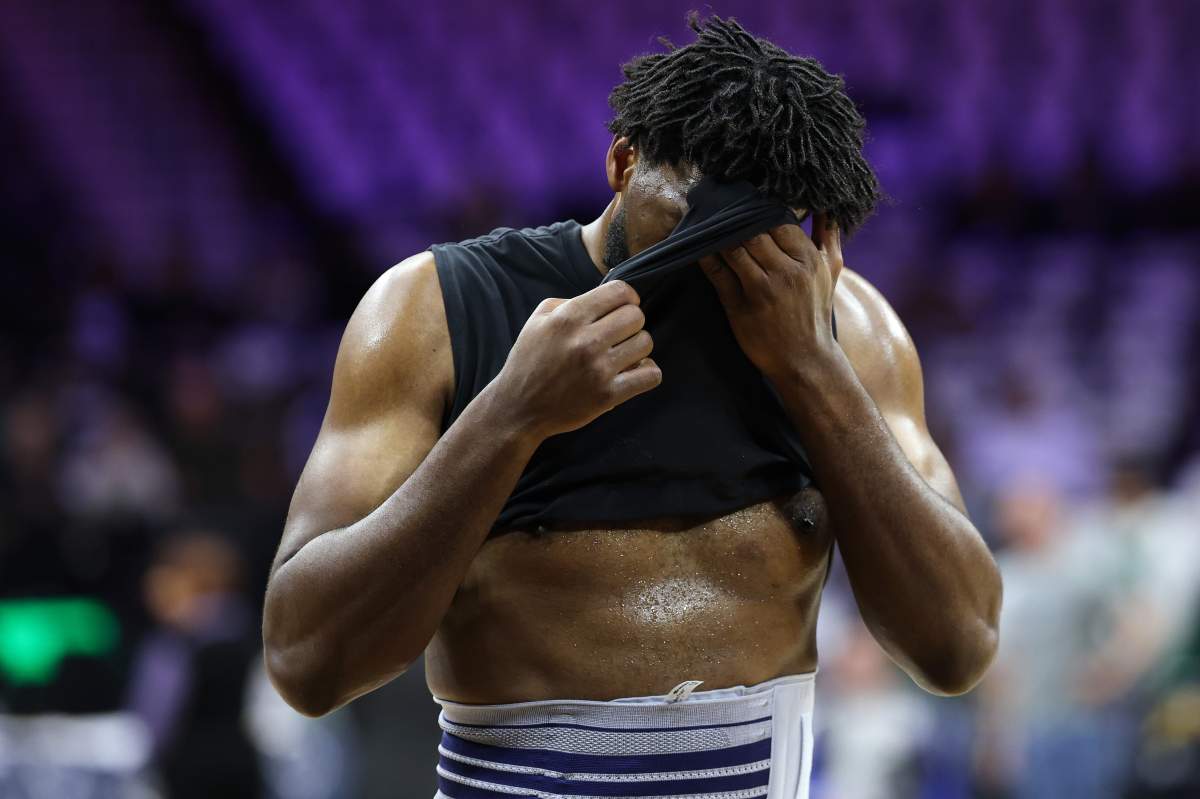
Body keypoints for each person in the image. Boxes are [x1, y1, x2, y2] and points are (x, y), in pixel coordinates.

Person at [262, 14, 1002, 798]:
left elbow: (957, 647)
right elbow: (307, 661)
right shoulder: (433, 311)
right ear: (622, 162)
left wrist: (813, 370)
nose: (711, 269)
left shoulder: (849, 330)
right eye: (690, 228)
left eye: (751, 241)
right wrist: (510, 414)